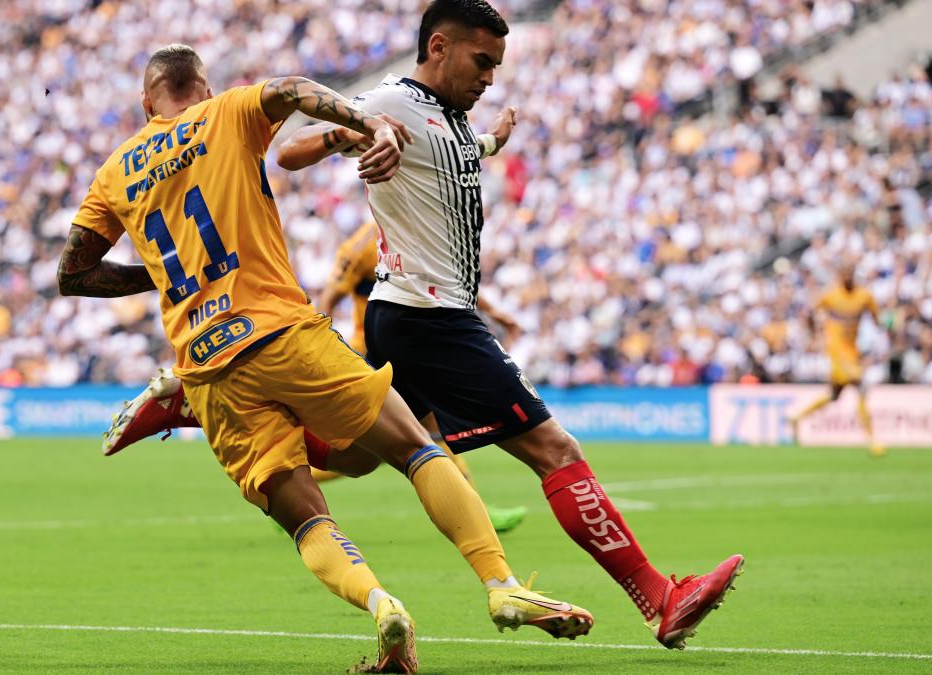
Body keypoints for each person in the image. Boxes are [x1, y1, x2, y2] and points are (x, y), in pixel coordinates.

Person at [105, 1, 744, 651]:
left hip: (421, 314)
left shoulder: (455, 121)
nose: (491, 75)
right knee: (555, 449)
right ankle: (657, 596)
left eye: (497, 64)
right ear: (438, 47)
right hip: (426, 315)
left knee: (357, 455)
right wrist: (357, 134)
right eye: (481, 60)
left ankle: (188, 405)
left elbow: (460, 152)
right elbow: (294, 152)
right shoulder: (396, 100)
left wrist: (496, 139)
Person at [61, 44, 593, 673]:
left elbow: (75, 274)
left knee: (307, 518)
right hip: (282, 329)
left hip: (208, 367)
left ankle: (380, 605)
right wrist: (374, 125)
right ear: (201, 89)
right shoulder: (225, 112)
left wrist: (163, 273)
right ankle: (501, 585)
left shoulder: (116, 172)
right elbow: (289, 88)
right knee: (415, 447)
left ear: (146, 102)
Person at [316, 220, 529, 532]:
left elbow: (449, 280)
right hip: (376, 351)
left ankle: (475, 510)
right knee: (378, 446)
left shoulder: (418, 226)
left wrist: (495, 312)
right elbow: (332, 293)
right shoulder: (363, 243)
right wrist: (327, 343)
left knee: (418, 434)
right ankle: (301, 484)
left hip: (412, 347)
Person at [789, 266, 884, 456]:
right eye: (844, 275)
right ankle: (873, 440)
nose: (847, 278)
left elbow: (876, 317)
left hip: (852, 352)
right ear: (840, 277)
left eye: (850, 275)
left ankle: (796, 417)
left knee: (834, 395)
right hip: (836, 352)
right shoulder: (832, 295)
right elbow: (808, 312)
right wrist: (814, 334)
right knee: (860, 387)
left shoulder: (864, 296)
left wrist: (878, 324)